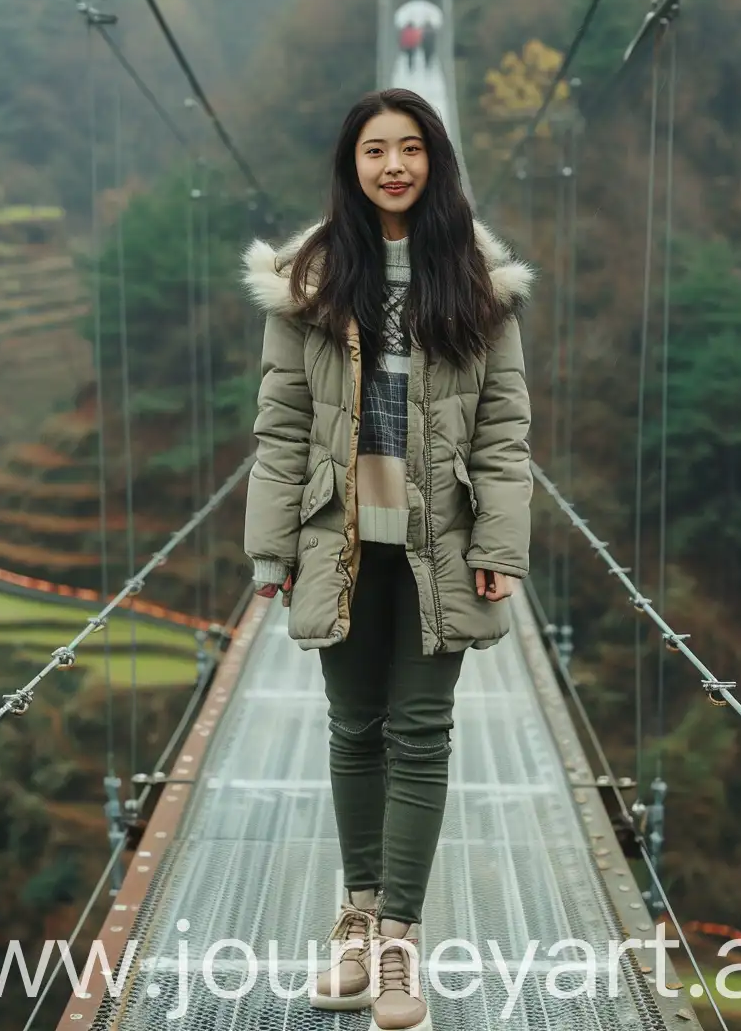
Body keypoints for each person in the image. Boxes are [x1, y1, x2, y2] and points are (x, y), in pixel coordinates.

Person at [242, 89, 533, 1031]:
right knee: (352, 728)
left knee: (420, 732)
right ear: (351, 165)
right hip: (339, 536)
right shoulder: (309, 285)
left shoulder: (479, 285)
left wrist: (499, 544)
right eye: (376, 150)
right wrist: (268, 551)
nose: (394, 166)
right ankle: (356, 920)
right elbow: (282, 428)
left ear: (435, 162)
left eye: (411, 149)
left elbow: (502, 432)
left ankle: (399, 942)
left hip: (437, 539)